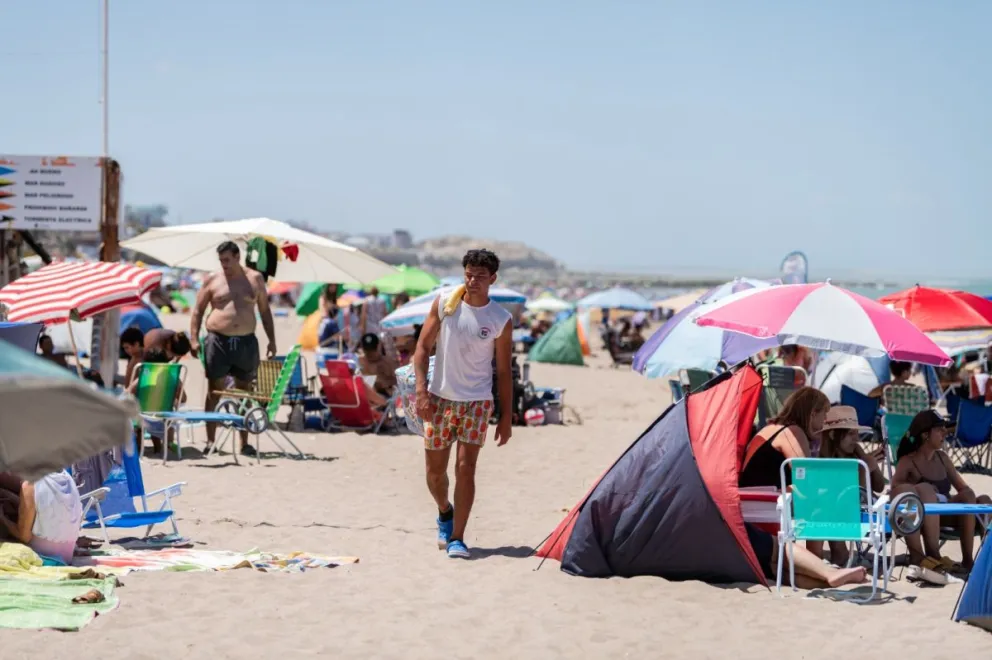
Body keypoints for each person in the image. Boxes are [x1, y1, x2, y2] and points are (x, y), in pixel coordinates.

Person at [414, 249, 513, 559]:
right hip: (440, 399)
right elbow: (421, 348)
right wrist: (421, 391)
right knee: (434, 474)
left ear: (492, 279)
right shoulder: (446, 304)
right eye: (469, 274)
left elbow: (504, 371)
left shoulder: (500, 319)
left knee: (465, 469)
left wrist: (507, 417)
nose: (472, 281)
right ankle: (445, 510)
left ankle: (457, 537)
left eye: (480, 276)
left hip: (477, 402)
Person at [190, 241, 276, 457]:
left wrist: (272, 340)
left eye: (227, 260)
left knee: (245, 392)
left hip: (246, 342)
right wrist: (193, 339)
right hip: (218, 341)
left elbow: (265, 312)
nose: (224, 265)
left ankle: (244, 443)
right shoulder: (213, 279)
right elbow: (197, 311)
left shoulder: (255, 279)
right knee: (214, 391)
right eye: (221, 261)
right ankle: (210, 441)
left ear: (238, 257)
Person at [891, 409, 992, 573]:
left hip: (947, 512)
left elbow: (963, 489)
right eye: (940, 429)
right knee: (925, 489)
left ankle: (971, 562)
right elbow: (896, 491)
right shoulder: (908, 461)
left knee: (980, 498)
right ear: (925, 435)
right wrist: (923, 490)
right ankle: (933, 555)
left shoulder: (942, 458)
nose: (945, 433)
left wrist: (963, 499)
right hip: (925, 517)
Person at [809, 405, 886, 565]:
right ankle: (833, 555)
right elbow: (853, 496)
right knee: (828, 502)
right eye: (851, 434)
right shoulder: (820, 459)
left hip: (860, 507)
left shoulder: (856, 451)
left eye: (857, 434)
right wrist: (863, 470)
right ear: (832, 434)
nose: (856, 439)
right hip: (838, 508)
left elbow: (878, 487)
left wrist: (871, 466)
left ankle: (840, 555)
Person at [739, 387, 831, 488]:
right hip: (766, 499)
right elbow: (807, 478)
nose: (826, 419)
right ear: (813, 414)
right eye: (825, 413)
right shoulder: (793, 432)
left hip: (751, 497)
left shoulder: (774, 428)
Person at [745, 522, 867, 590]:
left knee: (775, 572)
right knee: (778, 548)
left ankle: (827, 582)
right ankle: (830, 573)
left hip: (732, 568)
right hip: (737, 537)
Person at [0, 471, 82, 565]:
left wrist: (3, 519)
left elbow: (24, 536)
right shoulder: (67, 477)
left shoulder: (30, 484)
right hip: (67, 556)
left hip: (44, 557)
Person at [358, 333, 398, 409]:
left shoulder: (388, 361)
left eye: (373, 350)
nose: (370, 354)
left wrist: (385, 382)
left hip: (387, 398)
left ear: (378, 346)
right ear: (363, 349)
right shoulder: (361, 362)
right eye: (367, 350)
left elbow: (398, 382)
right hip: (370, 399)